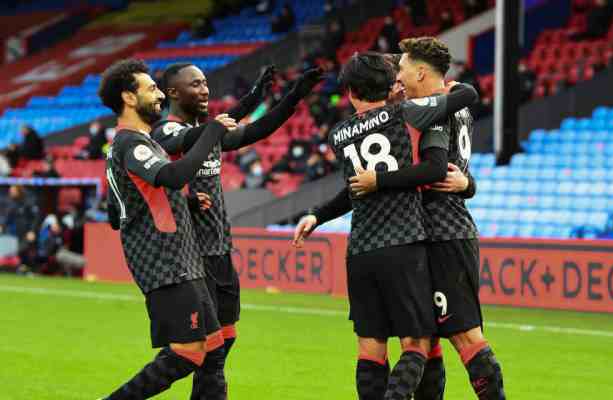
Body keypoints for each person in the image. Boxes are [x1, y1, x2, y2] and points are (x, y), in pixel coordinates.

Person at [296, 52, 476, 400]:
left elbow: (354, 189)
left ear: (349, 91)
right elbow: (466, 98)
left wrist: (316, 215)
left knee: (370, 349)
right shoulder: (405, 113)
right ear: (391, 86)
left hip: (360, 250)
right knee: (418, 343)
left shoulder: (339, 134)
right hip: (403, 245)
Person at [151, 62, 323, 398]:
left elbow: (257, 130)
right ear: (173, 92)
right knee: (199, 351)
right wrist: (249, 99)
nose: (204, 90)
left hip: (220, 250)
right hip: (190, 255)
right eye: (195, 84)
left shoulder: (208, 133)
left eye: (205, 83)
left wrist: (292, 97)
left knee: (224, 341)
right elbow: (191, 141)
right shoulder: (167, 133)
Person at [352, 38, 506, 400]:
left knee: (465, 335)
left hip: (444, 234)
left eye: (403, 69)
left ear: (421, 72)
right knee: (427, 336)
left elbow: (437, 169)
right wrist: (469, 184)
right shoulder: (451, 101)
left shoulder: (437, 108)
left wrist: (380, 181)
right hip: (431, 232)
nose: (398, 78)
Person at [98, 58, 236, 400]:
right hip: (166, 263)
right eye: (152, 89)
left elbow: (118, 211)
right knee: (188, 353)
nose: (160, 95)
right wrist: (212, 131)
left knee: (213, 349)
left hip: (183, 261)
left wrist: (182, 204)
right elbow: (173, 176)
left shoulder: (136, 144)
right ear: (129, 98)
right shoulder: (131, 144)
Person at [0, 185, 40, 273]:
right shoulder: (13, 203)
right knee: (19, 253)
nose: (11, 193)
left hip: (28, 233)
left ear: (19, 191)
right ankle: (25, 269)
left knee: (21, 250)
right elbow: (8, 217)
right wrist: (2, 226)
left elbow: (36, 218)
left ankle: (33, 269)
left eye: (13, 191)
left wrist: (32, 231)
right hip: (17, 234)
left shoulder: (28, 202)